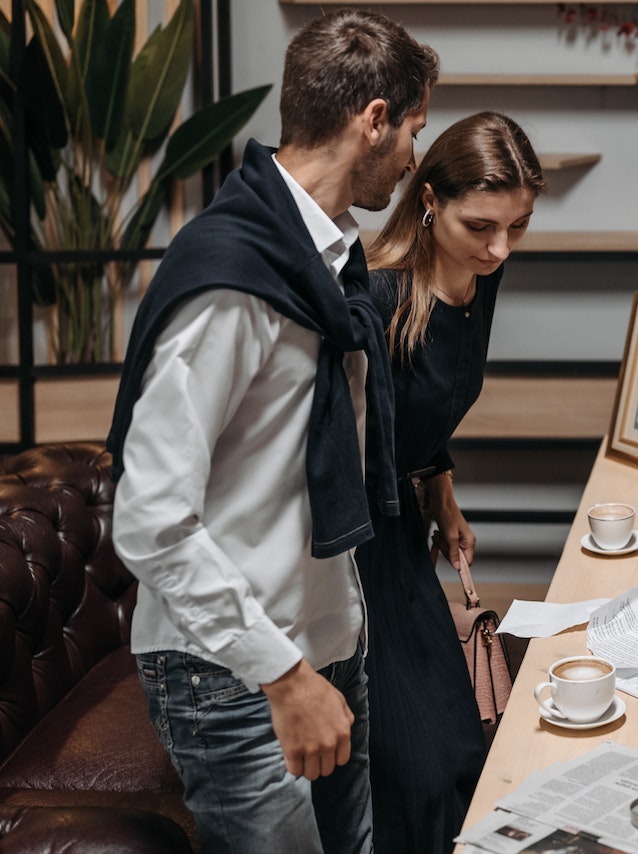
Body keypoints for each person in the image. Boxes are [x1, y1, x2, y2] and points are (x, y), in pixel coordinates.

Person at [104, 10, 439, 853]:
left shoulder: (323, 260)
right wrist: (283, 674)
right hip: (235, 675)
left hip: (322, 642)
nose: (412, 159)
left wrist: (331, 651)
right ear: (372, 120)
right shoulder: (233, 279)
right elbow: (150, 520)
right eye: (412, 131)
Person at [355, 111, 545, 852]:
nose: (500, 248)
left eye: (519, 227)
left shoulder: (478, 280)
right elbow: (353, 446)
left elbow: (422, 420)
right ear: (428, 199)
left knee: (460, 745)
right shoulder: (377, 299)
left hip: (405, 526)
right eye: (481, 226)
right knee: (423, 763)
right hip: (357, 544)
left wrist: (444, 496)